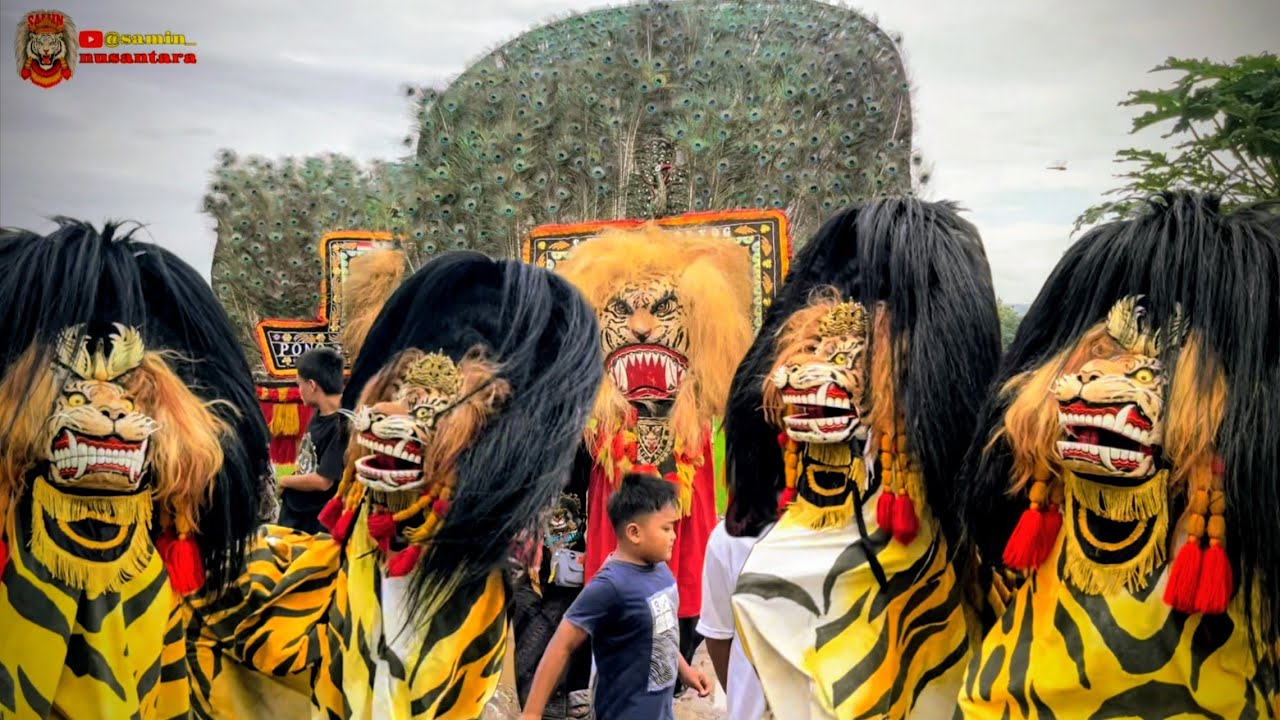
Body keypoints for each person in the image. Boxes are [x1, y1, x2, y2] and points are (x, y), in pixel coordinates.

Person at [522, 472, 713, 720]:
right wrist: (532, 713)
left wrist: (684, 671)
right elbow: (562, 643)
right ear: (634, 533)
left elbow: (660, 630)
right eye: (666, 528)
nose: (674, 535)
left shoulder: (660, 569)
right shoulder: (610, 584)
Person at [697, 517, 771, 719]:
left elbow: (717, 637)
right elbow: (717, 636)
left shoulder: (729, 536)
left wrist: (741, 699)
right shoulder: (731, 536)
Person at [278, 346, 347, 533]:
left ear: (312, 385)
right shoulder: (319, 413)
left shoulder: (343, 425)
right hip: (296, 514)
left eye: (299, 384)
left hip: (315, 525)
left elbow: (323, 481)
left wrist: (283, 481)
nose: (299, 391)